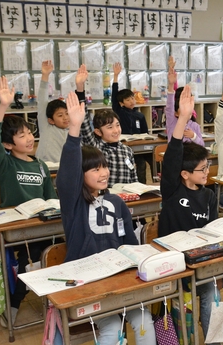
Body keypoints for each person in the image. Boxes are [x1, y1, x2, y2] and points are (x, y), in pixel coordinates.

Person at [57, 91, 157, 345]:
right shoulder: (73, 203)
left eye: (104, 167)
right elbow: (68, 173)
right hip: (90, 279)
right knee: (112, 329)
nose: (103, 173)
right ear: (81, 175)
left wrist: (140, 265)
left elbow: (128, 241)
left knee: (144, 323)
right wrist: (74, 128)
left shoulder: (115, 201)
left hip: (120, 276)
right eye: (95, 169)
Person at [159, 85, 223, 345]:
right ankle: (213, 341)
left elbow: (212, 231)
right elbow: (173, 155)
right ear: (184, 173)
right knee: (210, 291)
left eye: (207, 166)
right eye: (202, 169)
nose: (207, 172)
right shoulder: (171, 189)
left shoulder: (209, 195)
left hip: (207, 258)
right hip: (181, 263)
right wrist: (183, 119)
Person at [0, 76, 57, 328]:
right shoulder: (5, 164)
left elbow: (51, 196)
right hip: (20, 228)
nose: (29, 139)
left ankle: (55, 298)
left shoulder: (39, 165)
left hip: (45, 223)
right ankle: (14, 303)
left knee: (60, 251)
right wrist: (2, 107)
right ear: (8, 144)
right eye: (21, 136)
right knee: (32, 260)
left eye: (29, 133)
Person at [76, 69, 138, 187]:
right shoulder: (96, 148)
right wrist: (80, 88)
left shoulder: (126, 150)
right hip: (105, 196)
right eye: (110, 127)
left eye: (117, 125)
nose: (116, 130)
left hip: (126, 197)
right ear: (98, 132)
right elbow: (84, 122)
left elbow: (133, 178)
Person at [111, 62, 150, 183]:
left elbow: (145, 133)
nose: (132, 101)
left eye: (132, 98)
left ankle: (143, 185)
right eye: (128, 100)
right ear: (121, 103)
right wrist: (116, 76)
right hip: (125, 148)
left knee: (143, 164)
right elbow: (114, 96)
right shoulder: (119, 111)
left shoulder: (140, 115)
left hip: (138, 147)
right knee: (130, 166)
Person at [35, 60, 72, 163]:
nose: (65, 117)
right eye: (60, 115)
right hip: (45, 170)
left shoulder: (73, 131)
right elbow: (42, 101)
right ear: (51, 120)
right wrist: (45, 75)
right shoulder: (46, 126)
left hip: (63, 171)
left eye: (67, 113)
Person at [165, 59, 204, 146]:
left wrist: (193, 136)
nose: (187, 113)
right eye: (183, 111)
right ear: (176, 113)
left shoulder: (195, 126)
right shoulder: (172, 122)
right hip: (176, 158)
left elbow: (202, 145)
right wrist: (171, 85)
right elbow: (169, 105)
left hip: (191, 158)